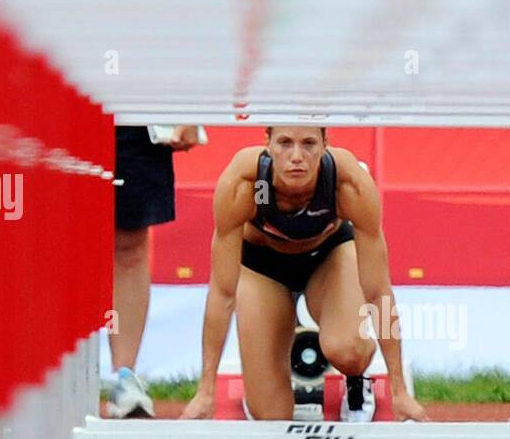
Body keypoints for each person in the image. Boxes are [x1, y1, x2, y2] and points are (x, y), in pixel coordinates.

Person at [180, 125, 427, 422]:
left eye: (308, 143)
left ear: (325, 145)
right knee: (271, 417)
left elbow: (379, 292)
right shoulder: (244, 182)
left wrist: (399, 391)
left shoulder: (347, 182)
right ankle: (260, 383)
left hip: (328, 255)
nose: (296, 156)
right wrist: (205, 391)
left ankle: (357, 380)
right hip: (262, 266)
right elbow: (222, 293)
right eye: (285, 143)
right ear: (268, 145)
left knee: (347, 349)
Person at [105, 124, 202, 418]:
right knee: (44, 239)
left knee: (130, 244)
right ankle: (34, 376)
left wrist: (186, 113)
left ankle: (124, 379)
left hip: (131, 112)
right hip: (53, 102)